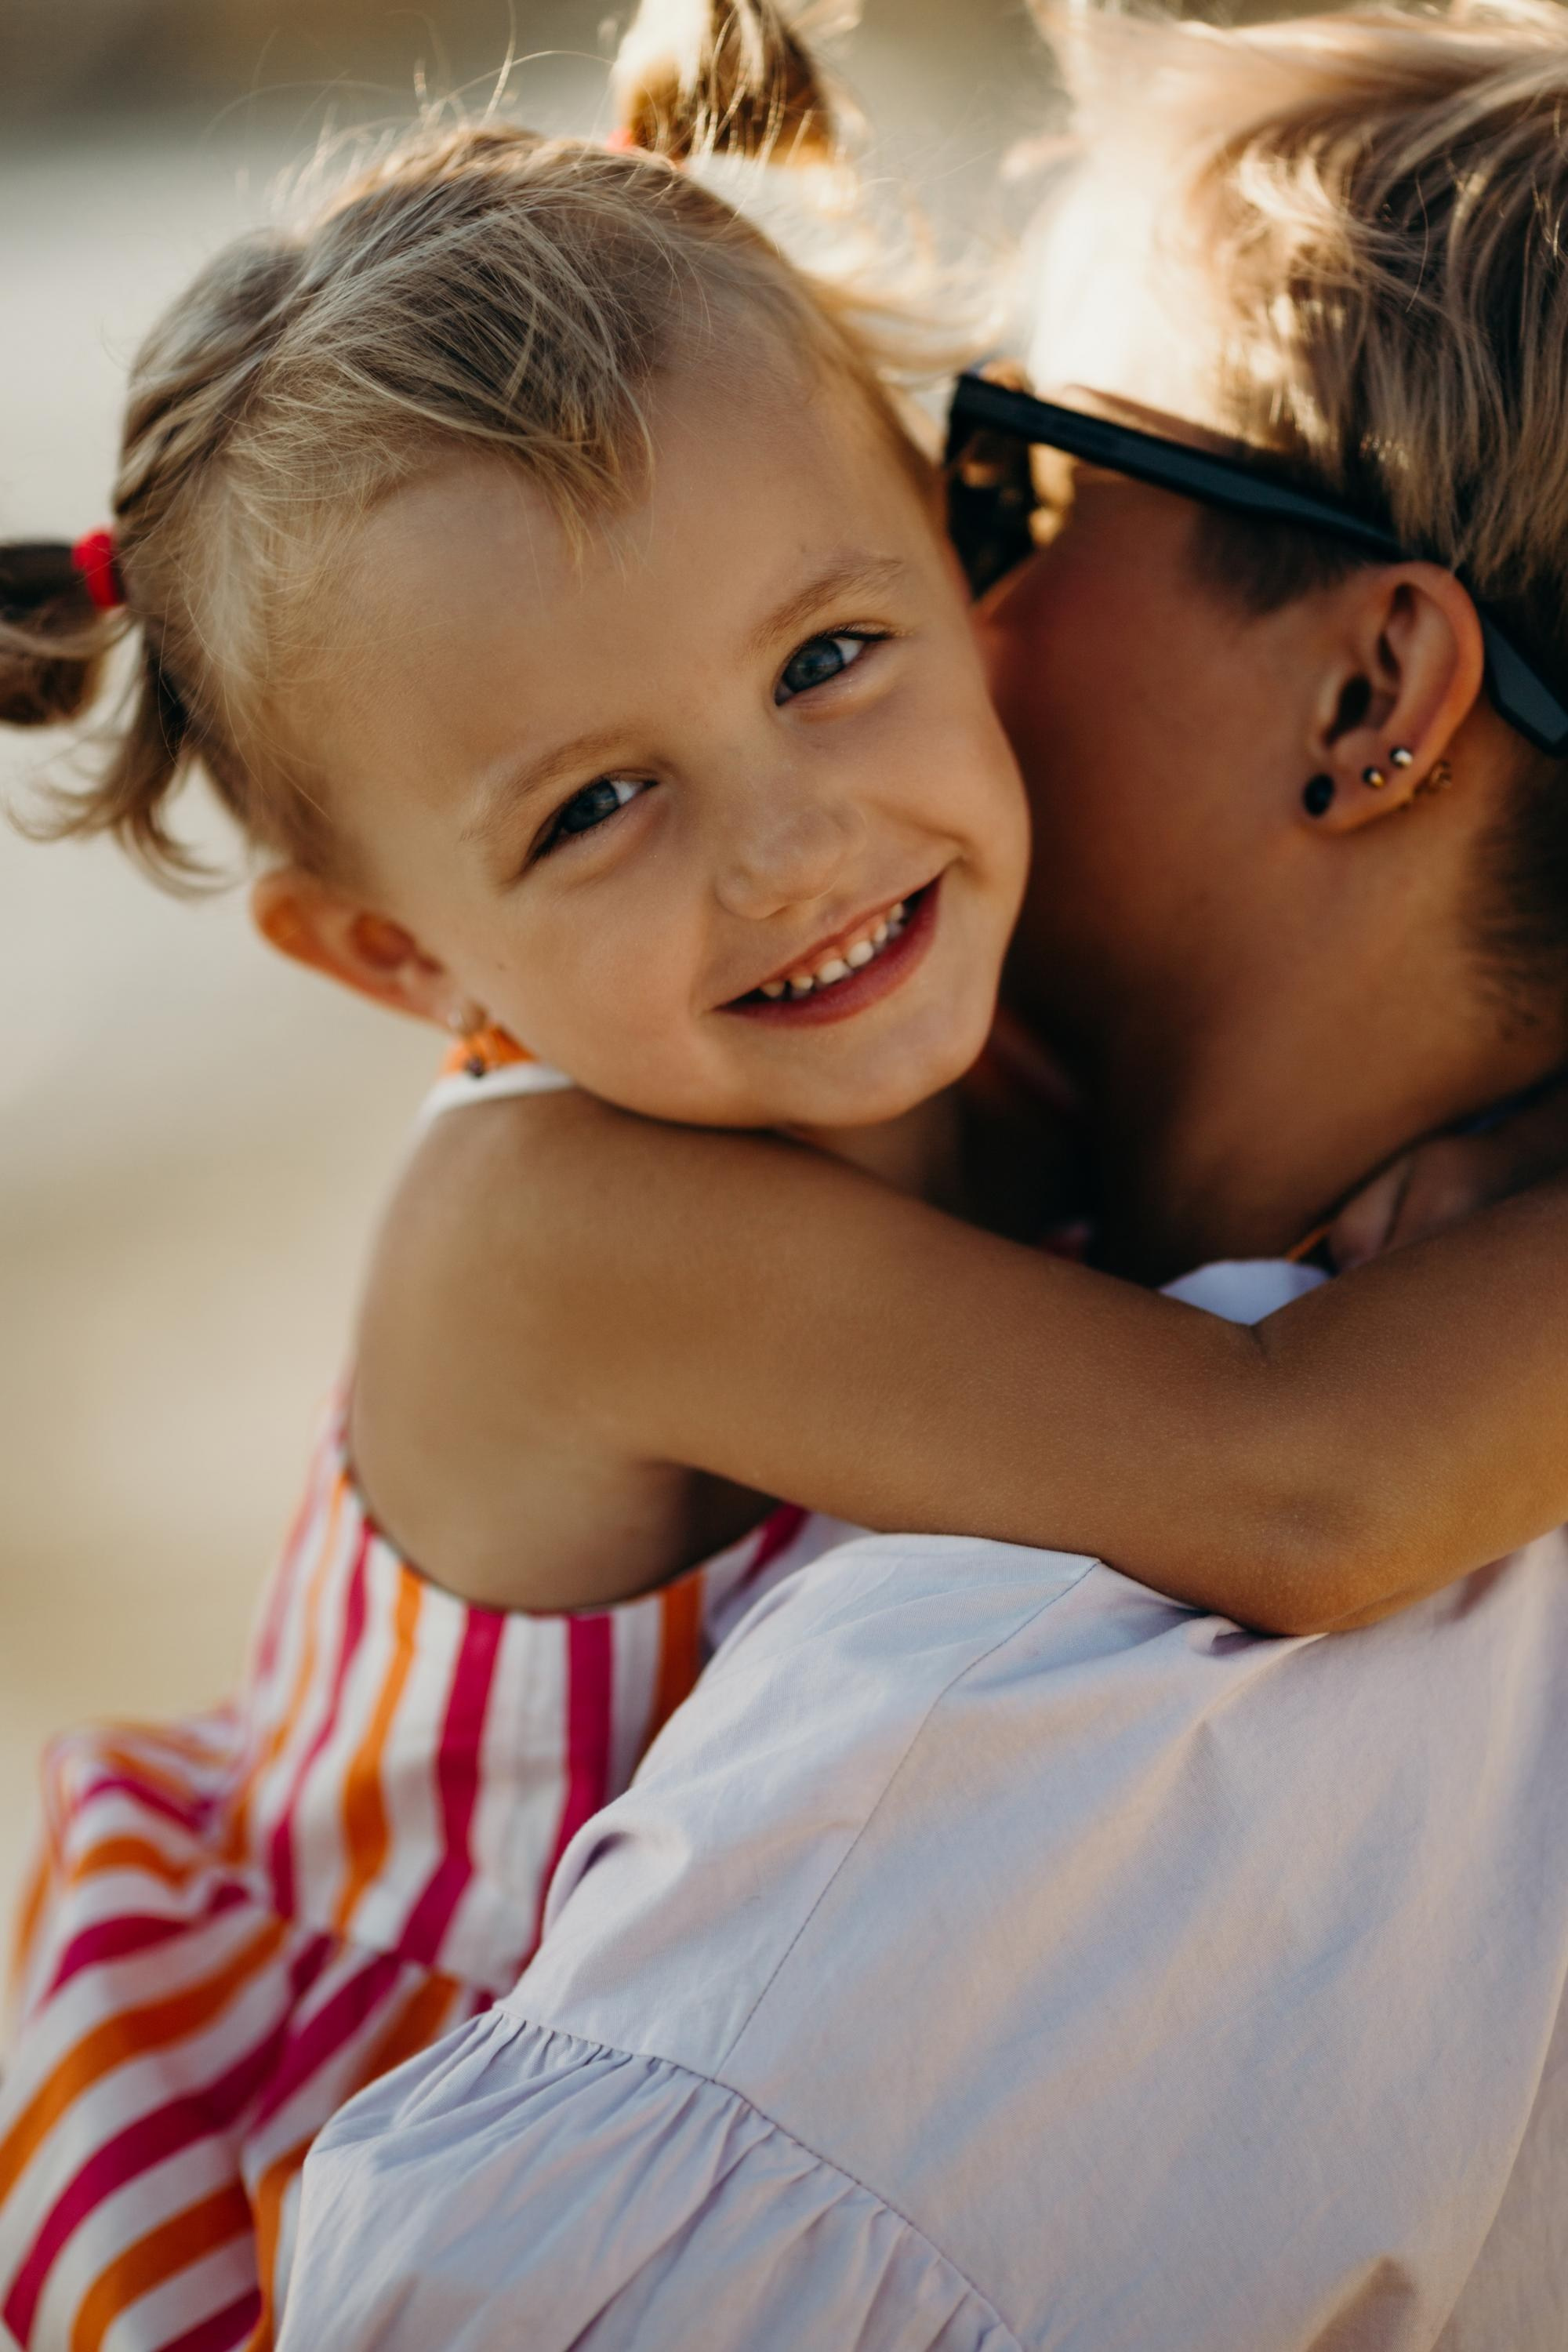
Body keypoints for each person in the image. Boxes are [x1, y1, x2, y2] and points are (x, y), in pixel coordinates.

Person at [5, 1, 1568, 2346]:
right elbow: (1302, 1485)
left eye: (835, 651)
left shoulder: (958, 1084)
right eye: (594, 806)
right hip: (306, 2203)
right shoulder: (553, 1229)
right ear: (400, 954)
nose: (794, 843)